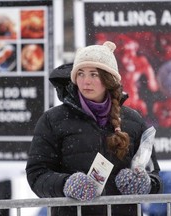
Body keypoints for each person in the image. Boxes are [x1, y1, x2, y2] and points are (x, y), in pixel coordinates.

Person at [25, 41, 163, 216]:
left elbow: (154, 174)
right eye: (80, 74)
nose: (86, 81)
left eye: (94, 74)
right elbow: (36, 174)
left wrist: (145, 183)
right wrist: (66, 184)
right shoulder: (53, 120)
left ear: (109, 79)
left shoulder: (133, 120)